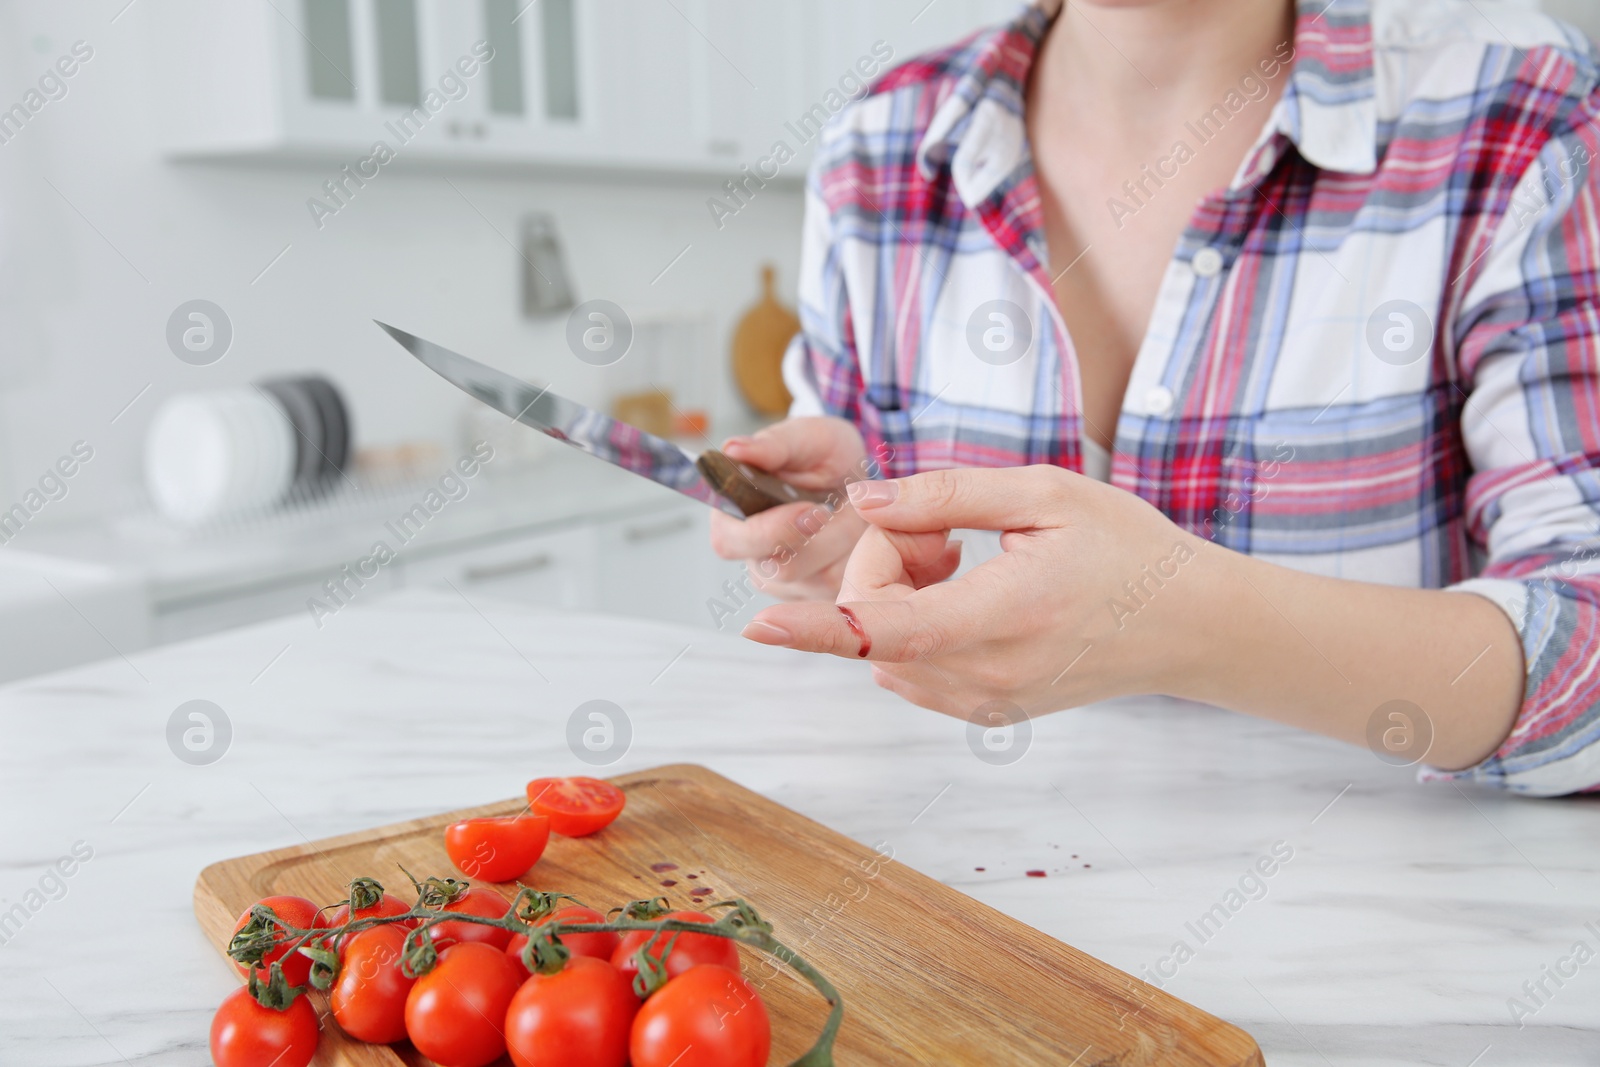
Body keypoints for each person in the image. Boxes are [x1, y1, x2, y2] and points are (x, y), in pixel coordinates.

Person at [709, 0, 1600, 797]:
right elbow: (867, 556)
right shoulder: (879, 141)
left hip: (1393, 919)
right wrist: (845, 529)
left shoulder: (1524, 108)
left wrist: (1177, 618)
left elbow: (1586, 655)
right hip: (976, 896)